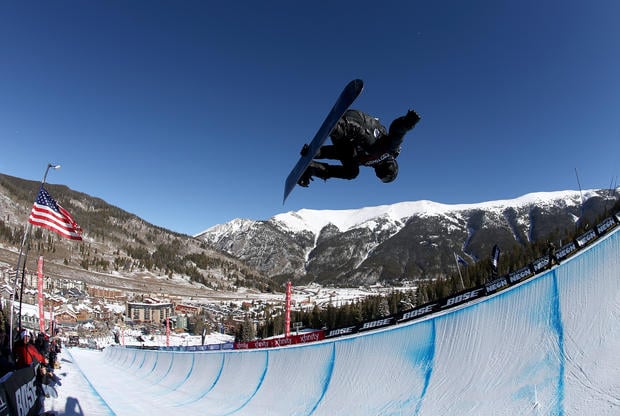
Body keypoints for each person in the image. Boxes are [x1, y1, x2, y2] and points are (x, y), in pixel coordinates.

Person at [298, 109, 421, 187]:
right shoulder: (391, 151)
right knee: (374, 149)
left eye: (382, 178)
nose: (381, 175)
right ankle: (341, 127)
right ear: (392, 166)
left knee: (352, 172)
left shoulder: (366, 160)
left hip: (343, 137)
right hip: (358, 122)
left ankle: (312, 169)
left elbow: (341, 154)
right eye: (385, 176)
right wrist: (406, 123)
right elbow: (396, 133)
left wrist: (315, 152)